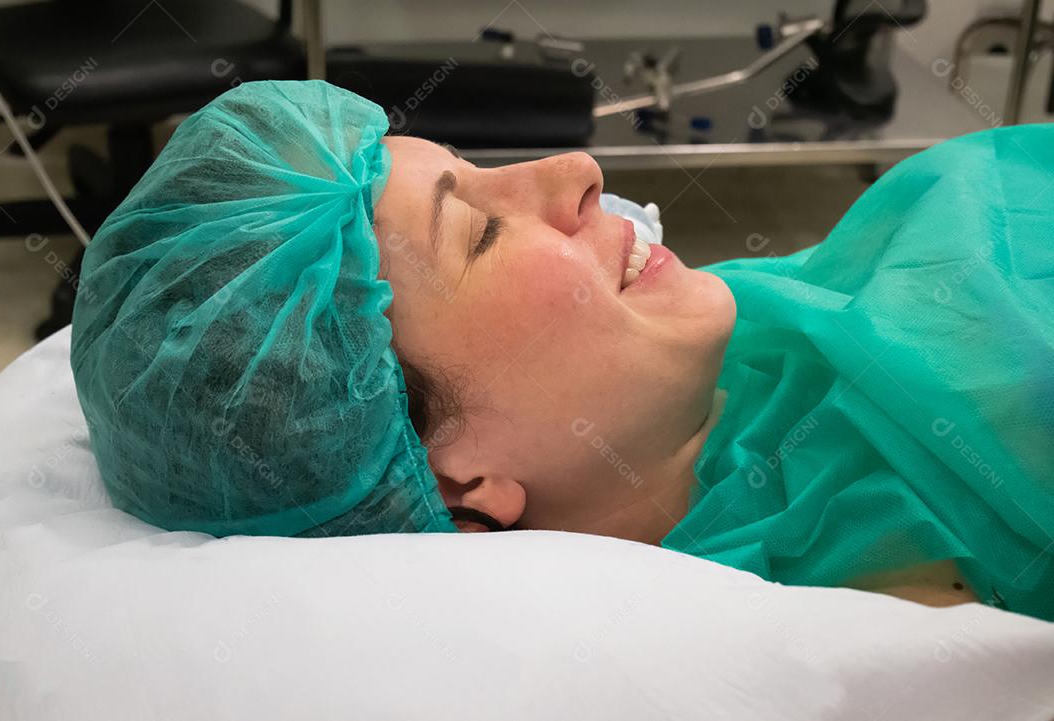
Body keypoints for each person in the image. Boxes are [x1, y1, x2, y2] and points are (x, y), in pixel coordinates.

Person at [71, 80, 1054, 621]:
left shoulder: (766, 326)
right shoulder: (906, 592)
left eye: (478, 172)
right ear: (456, 487)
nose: (579, 171)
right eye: (482, 235)